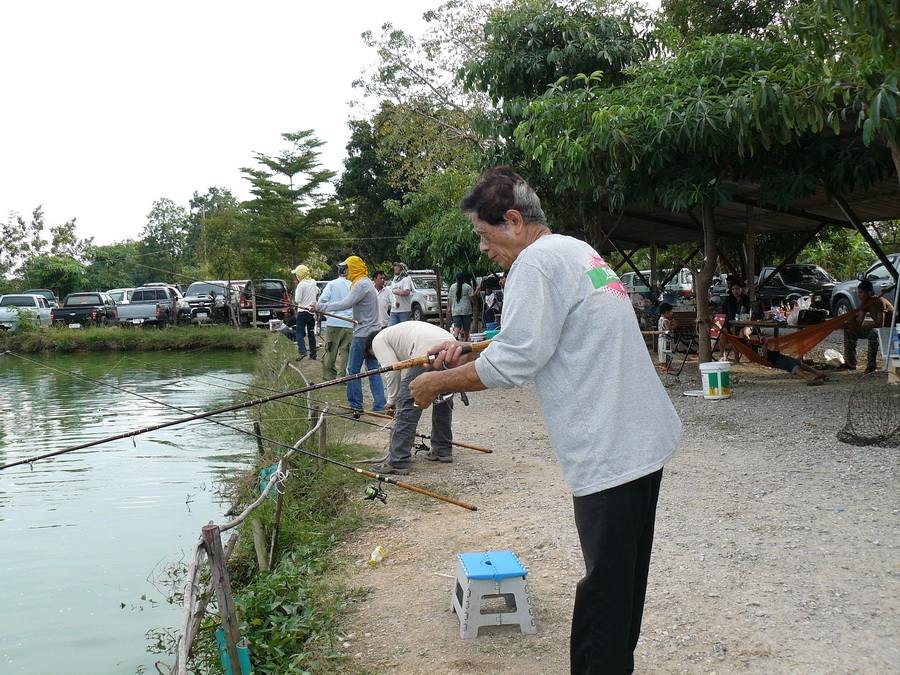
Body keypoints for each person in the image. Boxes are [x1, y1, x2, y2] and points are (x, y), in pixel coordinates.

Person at [409, 167, 682, 674]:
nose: (484, 248)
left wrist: (435, 384)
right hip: (644, 435)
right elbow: (550, 331)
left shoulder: (534, 264)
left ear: (513, 220)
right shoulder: (576, 251)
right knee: (625, 577)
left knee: (604, 585)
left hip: (610, 445)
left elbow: (517, 360)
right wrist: (468, 347)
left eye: (485, 235)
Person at [365, 322, 457, 474]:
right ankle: (442, 449)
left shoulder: (378, 340)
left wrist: (392, 400)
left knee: (407, 402)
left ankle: (398, 460)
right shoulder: (397, 334)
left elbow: (391, 370)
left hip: (427, 351)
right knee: (442, 399)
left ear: (370, 349)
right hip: (452, 347)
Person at [313, 256, 386, 413]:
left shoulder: (360, 284)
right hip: (373, 333)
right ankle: (380, 405)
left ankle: (356, 405)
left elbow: (345, 303)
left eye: (347, 267)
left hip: (362, 336)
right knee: (374, 370)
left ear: (353, 267)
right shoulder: (367, 283)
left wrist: (320, 306)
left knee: (352, 370)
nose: (346, 270)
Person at [842, 279, 895, 373]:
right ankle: (850, 363)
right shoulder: (865, 303)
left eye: (861, 292)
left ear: (869, 292)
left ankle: (871, 365)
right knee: (849, 331)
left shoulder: (879, 302)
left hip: (890, 330)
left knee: (873, 333)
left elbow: (880, 325)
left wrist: (859, 325)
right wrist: (849, 322)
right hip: (881, 328)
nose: (859, 295)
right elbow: (859, 323)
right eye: (858, 292)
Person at [318, 263, 354, 380]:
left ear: (338, 272)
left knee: (330, 350)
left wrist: (321, 309)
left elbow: (322, 299)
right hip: (349, 323)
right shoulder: (353, 285)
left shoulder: (332, 284)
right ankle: (342, 376)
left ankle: (329, 375)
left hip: (333, 322)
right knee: (345, 353)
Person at [292, 264, 318, 360]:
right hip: (311, 311)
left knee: (299, 332)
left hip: (302, 312)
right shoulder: (313, 282)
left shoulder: (301, 285)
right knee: (311, 333)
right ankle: (313, 354)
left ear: (299, 275)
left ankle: (302, 351)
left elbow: (297, 300)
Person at [448, 273, 475, 340]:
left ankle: (456, 337)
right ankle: (466, 340)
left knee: (457, 325)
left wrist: (449, 307)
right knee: (466, 326)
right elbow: (471, 298)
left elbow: (450, 298)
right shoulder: (468, 287)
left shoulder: (452, 287)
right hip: (466, 310)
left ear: (456, 279)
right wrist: (474, 302)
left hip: (456, 310)